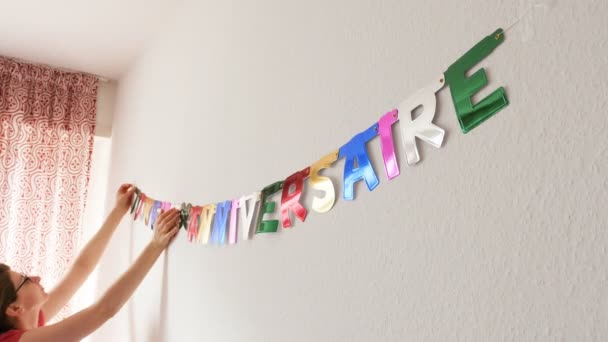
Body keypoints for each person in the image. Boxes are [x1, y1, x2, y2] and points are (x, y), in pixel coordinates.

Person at [0, 184, 180, 342]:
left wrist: (118, 211)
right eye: (25, 279)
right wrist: (155, 245)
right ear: (15, 308)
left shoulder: (31, 319)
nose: (36, 277)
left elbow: (82, 267)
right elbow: (104, 310)